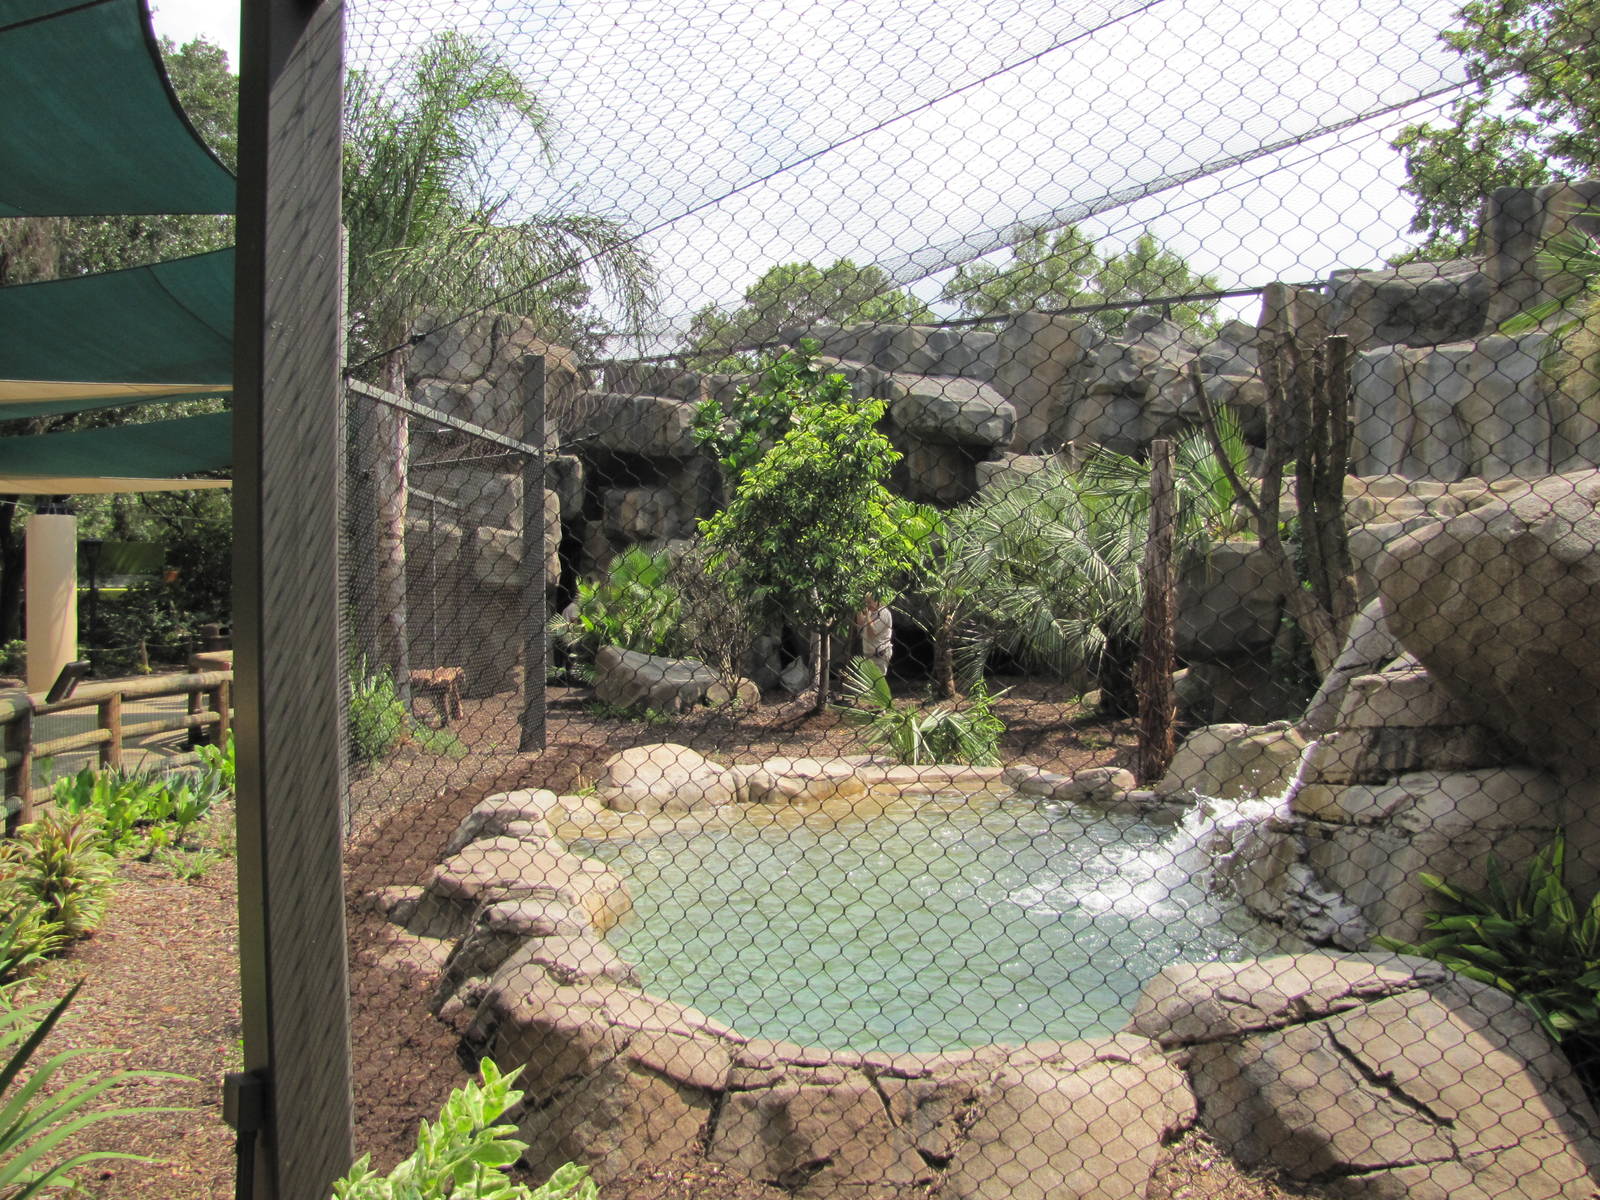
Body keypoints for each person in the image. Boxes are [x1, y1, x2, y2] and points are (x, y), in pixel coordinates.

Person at [854, 596, 893, 674]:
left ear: (876, 601)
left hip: (879, 655)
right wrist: (858, 609)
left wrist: (868, 616)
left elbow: (872, 633)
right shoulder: (871, 611)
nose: (867, 605)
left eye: (869, 602)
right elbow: (860, 623)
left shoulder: (883, 613)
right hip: (868, 654)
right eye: (866, 603)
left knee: (877, 681)